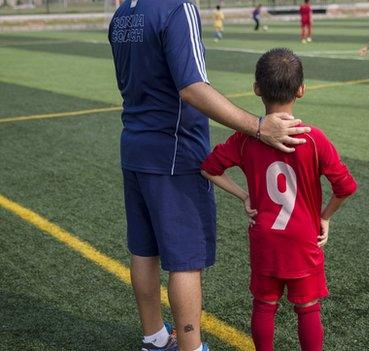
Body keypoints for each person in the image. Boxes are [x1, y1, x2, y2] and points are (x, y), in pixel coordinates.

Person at [108, 1, 311, 350]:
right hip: (174, 153)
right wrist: (258, 126)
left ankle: (154, 338)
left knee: (144, 250)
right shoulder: (177, 8)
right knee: (185, 259)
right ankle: (191, 347)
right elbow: (192, 87)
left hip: (135, 147)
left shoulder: (123, 12)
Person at [200, 48, 358, 351]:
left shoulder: (246, 138)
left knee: (264, 305)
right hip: (303, 239)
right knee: (308, 308)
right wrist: (325, 216)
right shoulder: (313, 138)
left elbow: (209, 168)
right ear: (301, 90)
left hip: (265, 239)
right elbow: (346, 187)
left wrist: (244, 195)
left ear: (257, 89)